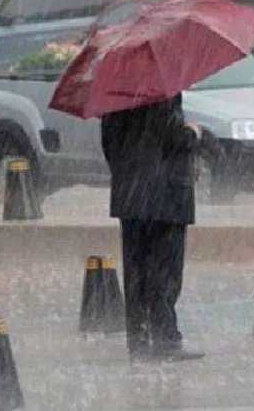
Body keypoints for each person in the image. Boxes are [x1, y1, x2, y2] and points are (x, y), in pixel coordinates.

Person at [100, 93, 205, 363]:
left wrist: (130, 175)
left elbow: (109, 146)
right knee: (164, 272)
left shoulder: (116, 95)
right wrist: (194, 133)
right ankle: (165, 339)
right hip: (166, 197)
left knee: (136, 272)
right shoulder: (162, 92)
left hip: (132, 197)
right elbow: (172, 138)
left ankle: (139, 339)